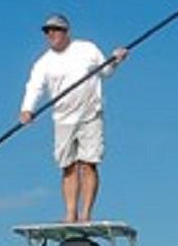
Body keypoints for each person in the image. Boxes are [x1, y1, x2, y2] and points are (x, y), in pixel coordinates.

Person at [18, 14, 128, 224]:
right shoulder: (43, 63)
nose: (51, 34)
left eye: (56, 29)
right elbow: (34, 87)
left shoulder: (87, 49)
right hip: (63, 118)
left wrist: (116, 60)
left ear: (66, 32)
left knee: (89, 164)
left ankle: (85, 214)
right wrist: (26, 109)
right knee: (67, 166)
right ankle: (70, 213)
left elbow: (105, 71)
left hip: (90, 113)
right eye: (47, 31)